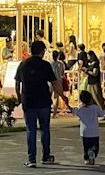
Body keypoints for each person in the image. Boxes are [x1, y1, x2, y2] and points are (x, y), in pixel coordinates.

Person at [15, 40, 68, 168]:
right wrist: (62, 96)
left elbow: (17, 84)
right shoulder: (45, 65)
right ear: (42, 51)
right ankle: (46, 156)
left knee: (30, 130)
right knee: (45, 129)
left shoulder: (23, 64)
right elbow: (55, 83)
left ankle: (31, 159)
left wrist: (19, 98)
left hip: (28, 101)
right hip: (43, 101)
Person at [68, 90, 105, 165]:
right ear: (91, 99)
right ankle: (93, 152)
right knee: (95, 146)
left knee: (86, 147)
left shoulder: (81, 109)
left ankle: (87, 158)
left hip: (84, 132)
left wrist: (67, 104)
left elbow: (73, 111)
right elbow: (102, 114)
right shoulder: (95, 108)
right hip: (94, 132)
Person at [50, 50, 65, 118]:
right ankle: (54, 112)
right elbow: (62, 73)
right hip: (58, 81)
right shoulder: (61, 64)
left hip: (50, 81)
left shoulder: (50, 64)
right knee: (56, 97)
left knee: (49, 96)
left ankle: (48, 111)